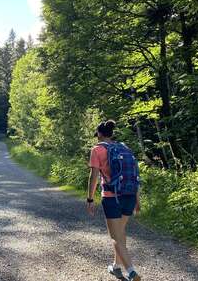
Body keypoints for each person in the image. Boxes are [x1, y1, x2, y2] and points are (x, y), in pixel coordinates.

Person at [86, 120, 141, 281]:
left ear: (100, 134)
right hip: (129, 196)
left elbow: (94, 176)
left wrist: (90, 198)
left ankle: (131, 272)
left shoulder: (97, 150)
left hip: (112, 198)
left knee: (115, 237)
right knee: (121, 232)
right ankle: (116, 266)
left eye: (97, 135)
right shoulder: (124, 148)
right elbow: (135, 175)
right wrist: (137, 200)